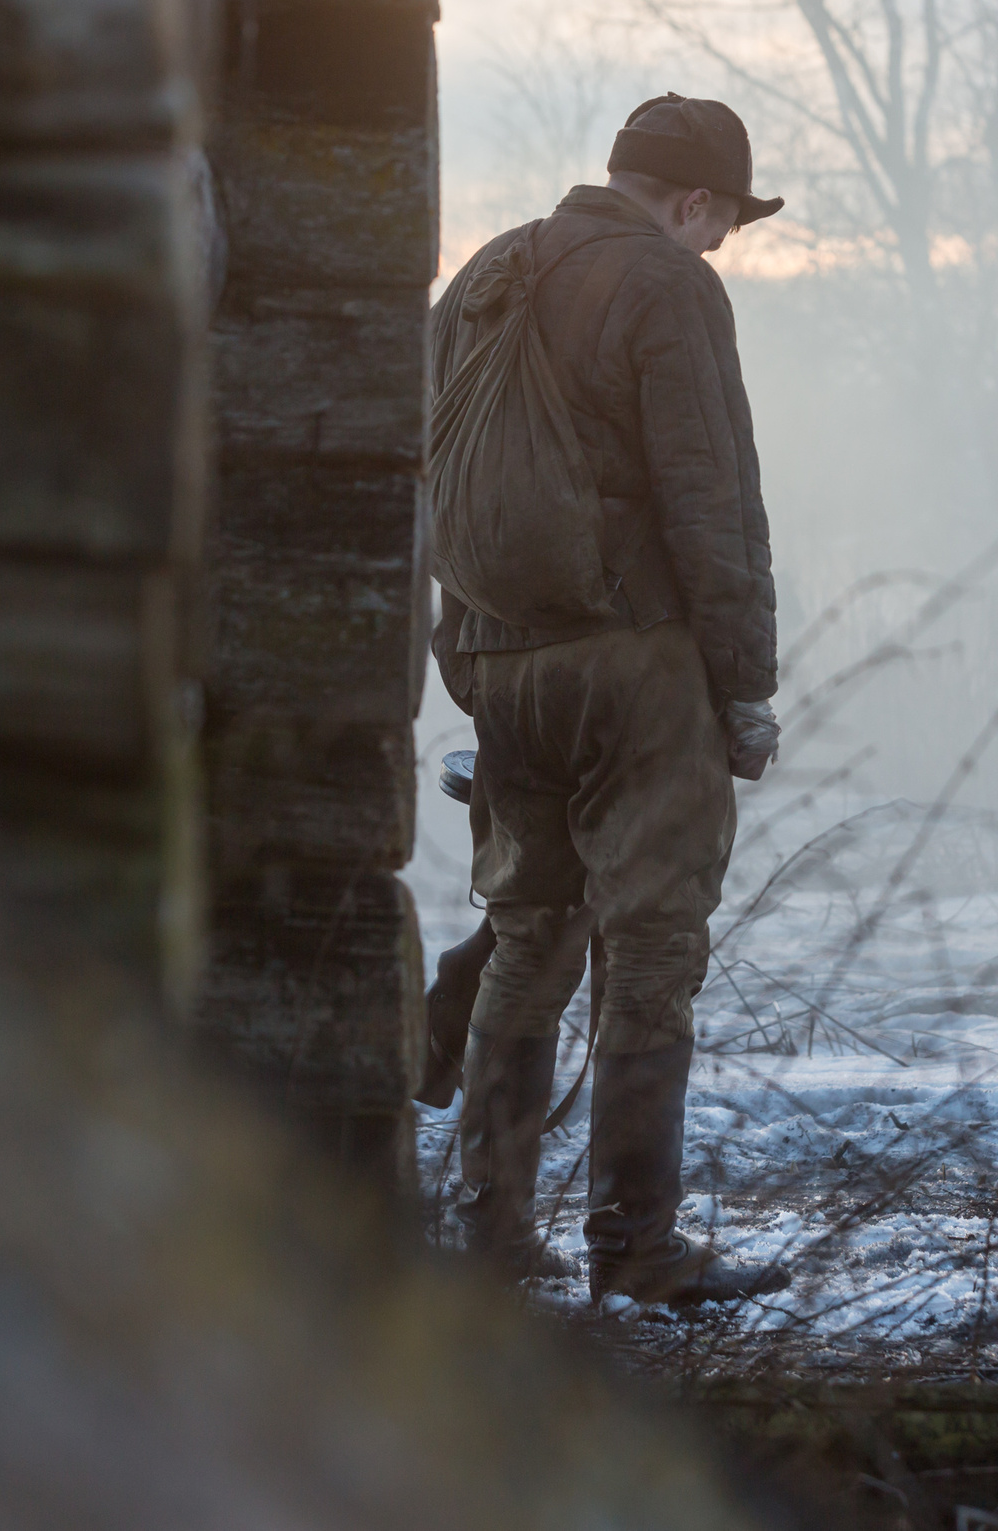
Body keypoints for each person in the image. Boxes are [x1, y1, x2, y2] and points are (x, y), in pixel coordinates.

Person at [427, 94, 790, 1306]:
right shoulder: (666, 287)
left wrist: (463, 653)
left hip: (498, 658)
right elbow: (712, 501)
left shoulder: (484, 272)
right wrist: (742, 687)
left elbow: (421, 467)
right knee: (652, 944)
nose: (721, 245)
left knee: (531, 932)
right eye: (724, 222)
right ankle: (636, 1242)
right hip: (632, 663)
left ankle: (490, 1229)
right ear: (692, 201)